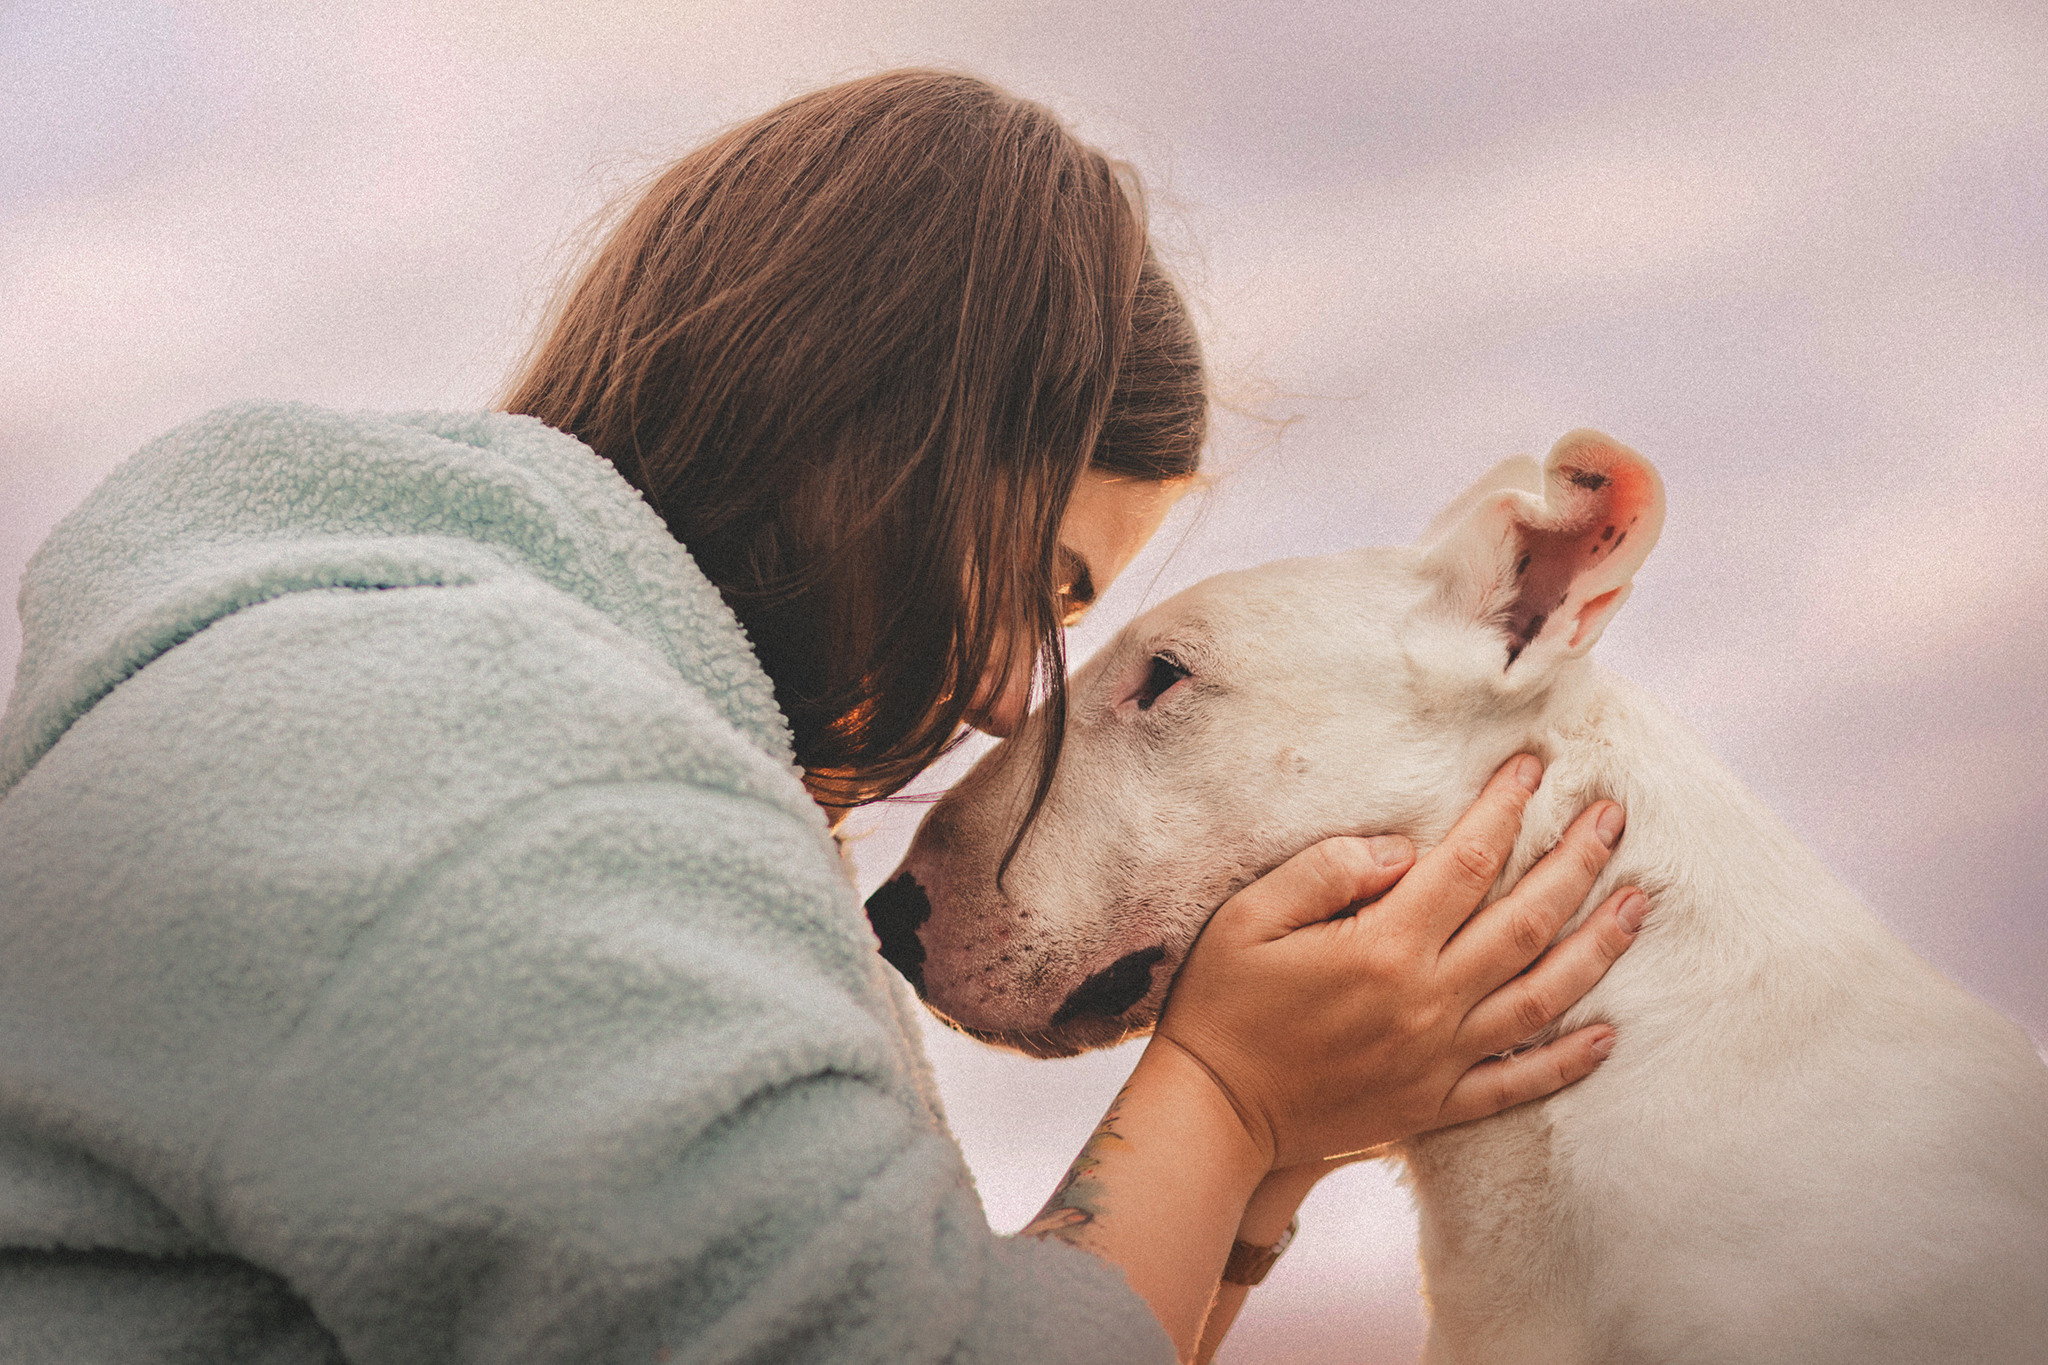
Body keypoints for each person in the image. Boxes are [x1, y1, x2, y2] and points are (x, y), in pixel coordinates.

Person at [0, 70, 1645, 1364]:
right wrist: (1228, 1091)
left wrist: (1267, 1164)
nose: (1002, 688)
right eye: (1042, 578)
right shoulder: (481, 778)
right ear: (870, 424)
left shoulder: (445, 709)